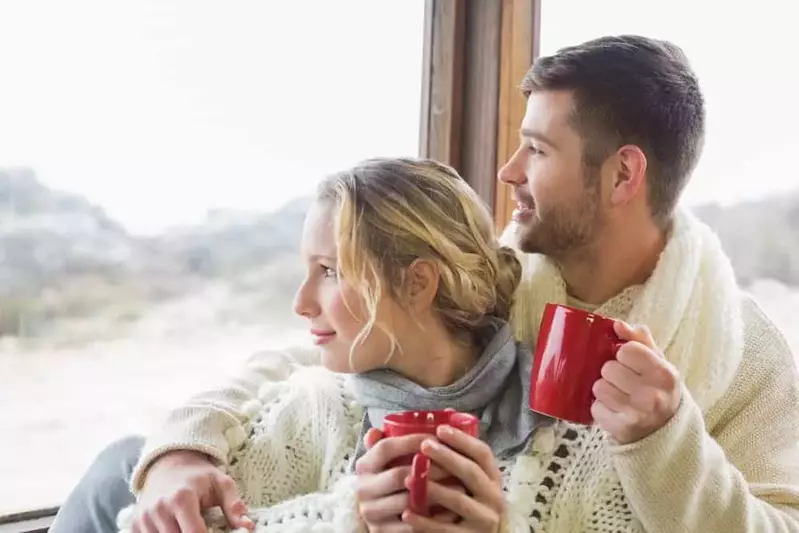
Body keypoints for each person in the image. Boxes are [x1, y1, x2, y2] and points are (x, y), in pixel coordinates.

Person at [51, 34, 799, 533]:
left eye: (535, 149)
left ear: (623, 175)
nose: (507, 172)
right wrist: (182, 449)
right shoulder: (502, 282)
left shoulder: (739, 350)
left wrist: (664, 440)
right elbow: (308, 357)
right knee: (121, 461)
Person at [116, 156, 560, 532]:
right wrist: (348, 520)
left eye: (329, 270)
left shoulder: (560, 429)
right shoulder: (309, 409)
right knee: (115, 463)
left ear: (416, 283)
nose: (301, 303)